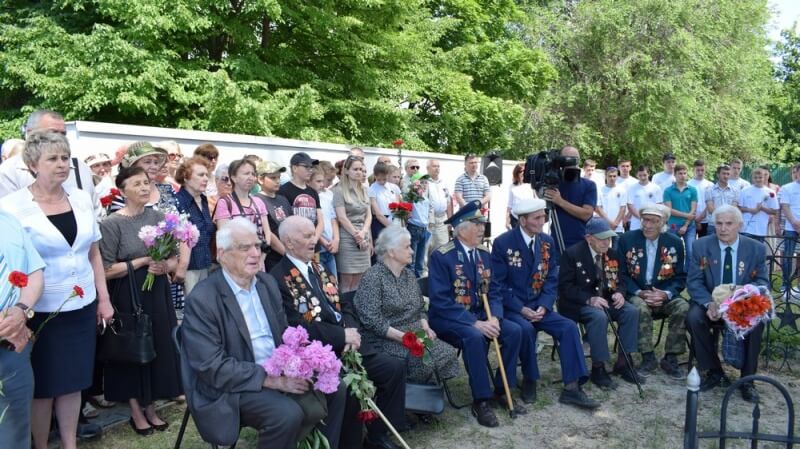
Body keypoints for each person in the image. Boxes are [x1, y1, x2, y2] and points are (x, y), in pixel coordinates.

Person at [181, 218, 346, 449]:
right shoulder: (203, 298)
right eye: (244, 247)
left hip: (278, 369)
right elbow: (211, 366)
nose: (255, 253)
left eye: (257, 246)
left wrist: (304, 361)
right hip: (235, 385)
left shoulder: (266, 284)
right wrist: (272, 380)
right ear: (221, 254)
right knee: (285, 414)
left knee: (336, 387)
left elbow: (284, 335)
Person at [0, 131, 114, 449]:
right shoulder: (11, 206)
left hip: (81, 305)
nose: (62, 164)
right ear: (33, 165)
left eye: (65, 158)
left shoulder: (79, 197)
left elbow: (93, 252)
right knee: (44, 386)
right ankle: (40, 443)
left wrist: (103, 299)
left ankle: (69, 443)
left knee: (73, 382)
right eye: (53, 158)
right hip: (39, 309)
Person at [271, 216, 406, 449]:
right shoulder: (278, 278)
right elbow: (296, 327)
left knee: (393, 367)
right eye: (306, 236)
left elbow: (343, 304)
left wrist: (351, 329)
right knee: (348, 389)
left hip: (349, 340)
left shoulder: (319, 267)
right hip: (321, 351)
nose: (314, 239)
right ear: (289, 242)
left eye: (313, 233)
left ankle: (377, 436)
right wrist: (341, 336)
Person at [490, 198, 599, 409]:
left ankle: (572, 387)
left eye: (543, 216)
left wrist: (544, 305)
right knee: (524, 329)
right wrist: (522, 309)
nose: (543, 221)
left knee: (568, 327)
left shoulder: (547, 241)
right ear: (522, 220)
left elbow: (551, 278)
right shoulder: (503, 243)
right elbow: (498, 285)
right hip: (514, 308)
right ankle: (529, 379)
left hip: (539, 306)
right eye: (537, 217)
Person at [427, 201, 528, 427]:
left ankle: (503, 390)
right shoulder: (442, 256)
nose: (483, 228)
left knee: (514, 331)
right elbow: (441, 301)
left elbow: (494, 290)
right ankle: (481, 400)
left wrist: (495, 317)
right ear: (461, 228)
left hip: (483, 315)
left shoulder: (484, 254)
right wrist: (475, 323)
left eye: (482, 223)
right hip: (449, 319)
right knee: (474, 337)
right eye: (477, 223)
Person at [99, 166, 183, 434]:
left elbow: (174, 257)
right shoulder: (112, 223)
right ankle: (136, 410)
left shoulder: (158, 217)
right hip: (127, 292)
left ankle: (151, 406)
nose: (145, 188)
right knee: (132, 348)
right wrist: (143, 261)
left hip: (156, 291)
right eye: (137, 184)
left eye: (147, 183)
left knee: (157, 346)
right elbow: (105, 268)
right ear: (123, 190)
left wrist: (166, 266)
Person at [354, 224, 461, 384]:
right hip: (385, 339)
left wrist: (425, 326)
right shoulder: (373, 277)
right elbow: (372, 321)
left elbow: (420, 308)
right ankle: (409, 392)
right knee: (423, 360)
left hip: (415, 333)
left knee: (448, 352)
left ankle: (422, 387)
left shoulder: (409, 275)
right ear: (391, 251)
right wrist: (404, 338)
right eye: (407, 247)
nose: (412, 251)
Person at [686, 205, 769, 402]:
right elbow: (694, 281)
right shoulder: (701, 246)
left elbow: (762, 282)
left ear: (739, 225)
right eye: (719, 223)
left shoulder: (756, 248)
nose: (723, 228)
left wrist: (743, 297)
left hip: (741, 302)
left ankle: (747, 380)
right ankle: (714, 370)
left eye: (729, 224)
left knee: (758, 321)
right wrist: (708, 304)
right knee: (693, 317)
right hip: (710, 299)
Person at [557, 218, 644, 390]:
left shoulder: (612, 253)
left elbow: (621, 279)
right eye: (602, 238)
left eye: (609, 238)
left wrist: (619, 292)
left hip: (607, 298)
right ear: (589, 238)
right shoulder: (572, 254)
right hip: (579, 303)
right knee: (598, 316)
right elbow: (565, 287)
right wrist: (589, 299)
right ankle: (598, 366)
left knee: (631, 311)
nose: (607, 242)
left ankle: (623, 361)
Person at [617, 204, 688, 379]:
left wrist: (665, 294)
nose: (647, 225)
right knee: (639, 308)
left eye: (653, 221)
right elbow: (620, 274)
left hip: (663, 292)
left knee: (683, 308)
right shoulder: (627, 239)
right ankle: (647, 356)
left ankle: (671, 357)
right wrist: (639, 292)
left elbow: (680, 277)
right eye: (645, 220)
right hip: (637, 292)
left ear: (663, 223)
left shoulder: (675, 242)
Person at [0, 212, 45, 449]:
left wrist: (20, 311)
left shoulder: (8, 221)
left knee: (15, 428)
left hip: (12, 343)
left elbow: (34, 273)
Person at [0, 110, 100, 217]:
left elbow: (96, 214)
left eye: (63, 134)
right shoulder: (8, 171)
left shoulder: (80, 168)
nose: (60, 138)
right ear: (29, 133)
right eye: (53, 132)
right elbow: (7, 219)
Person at [213, 159, 271, 270]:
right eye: (246, 173)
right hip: (236, 262)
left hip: (258, 260)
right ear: (234, 177)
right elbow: (223, 237)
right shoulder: (225, 202)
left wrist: (262, 258)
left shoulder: (258, 202)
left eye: (253, 174)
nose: (250, 177)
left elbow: (267, 232)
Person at [542, 146, 596, 254]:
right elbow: (544, 218)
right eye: (566, 158)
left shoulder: (589, 185)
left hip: (581, 243)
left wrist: (560, 201)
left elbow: (587, 214)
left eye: (573, 158)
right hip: (556, 244)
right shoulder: (553, 184)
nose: (569, 162)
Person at [174, 156, 215, 295]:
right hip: (186, 269)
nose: (205, 178)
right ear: (186, 177)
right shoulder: (177, 202)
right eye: (200, 175)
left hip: (205, 265)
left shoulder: (203, 200)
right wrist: (181, 267)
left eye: (207, 175)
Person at [332, 155, 372, 290]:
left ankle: (357, 310)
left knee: (360, 280)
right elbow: (342, 217)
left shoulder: (365, 190)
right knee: (347, 281)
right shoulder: (338, 190)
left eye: (361, 169)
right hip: (348, 238)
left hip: (363, 237)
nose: (359, 172)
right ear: (347, 170)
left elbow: (369, 216)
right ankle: (346, 311)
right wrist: (357, 235)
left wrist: (364, 234)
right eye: (355, 169)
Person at [279, 152, 324, 245]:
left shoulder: (313, 192)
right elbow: (284, 223)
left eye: (311, 167)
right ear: (294, 168)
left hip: (314, 245)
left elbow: (320, 221)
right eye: (306, 167)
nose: (310, 170)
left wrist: (314, 239)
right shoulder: (283, 191)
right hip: (296, 245)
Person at [256, 161, 293, 271]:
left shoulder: (282, 198)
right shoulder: (256, 200)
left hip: (289, 253)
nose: (277, 181)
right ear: (261, 179)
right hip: (272, 258)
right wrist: (287, 254)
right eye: (273, 178)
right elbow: (267, 232)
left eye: (278, 177)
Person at [663, 163, 697, 270]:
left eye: (684, 173)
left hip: (689, 226)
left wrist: (686, 225)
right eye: (680, 173)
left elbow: (693, 209)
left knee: (691, 251)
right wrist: (686, 215)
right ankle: (674, 275)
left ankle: (687, 277)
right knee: (672, 252)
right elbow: (669, 209)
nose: (682, 176)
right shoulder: (668, 191)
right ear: (675, 174)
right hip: (673, 225)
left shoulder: (692, 190)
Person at [311, 164, 339, 276]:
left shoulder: (328, 194)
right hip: (320, 247)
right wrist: (323, 241)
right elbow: (312, 223)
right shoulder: (310, 198)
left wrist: (336, 239)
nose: (322, 184)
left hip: (330, 246)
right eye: (319, 181)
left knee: (333, 282)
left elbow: (333, 219)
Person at [738, 167, 778, 243]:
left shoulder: (770, 192)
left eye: (760, 177)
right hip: (746, 229)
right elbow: (739, 208)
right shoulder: (745, 190)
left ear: (764, 178)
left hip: (761, 229)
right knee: (745, 252)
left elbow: (774, 211)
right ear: (752, 178)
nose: (758, 179)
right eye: (755, 177)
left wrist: (762, 208)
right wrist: (750, 210)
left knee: (757, 253)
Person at [778, 163, 800, 294]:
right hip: (791, 227)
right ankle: (785, 285)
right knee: (787, 256)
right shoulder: (787, 188)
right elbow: (784, 207)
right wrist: (795, 223)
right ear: (796, 172)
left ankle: (798, 286)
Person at [407, 172, 432, 278]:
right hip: (413, 229)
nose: (424, 185)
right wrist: (414, 191)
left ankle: (418, 285)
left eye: (426, 182)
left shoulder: (426, 199)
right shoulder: (411, 197)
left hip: (423, 229)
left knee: (420, 260)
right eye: (421, 182)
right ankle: (410, 284)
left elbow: (427, 214)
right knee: (411, 260)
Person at [368, 161, 399, 243]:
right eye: (379, 179)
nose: (382, 182)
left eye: (384, 179)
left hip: (394, 219)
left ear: (388, 175)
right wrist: (391, 226)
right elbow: (377, 212)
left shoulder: (393, 187)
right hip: (380, 222)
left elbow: (397, 204)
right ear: (375, 176)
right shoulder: (372, 189)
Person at [426, 158, 453, 252]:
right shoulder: (424, 182)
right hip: (429, 220)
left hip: (443, 220)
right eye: (434, 166)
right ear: (428, 168)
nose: (437, 168)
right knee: (428, 248)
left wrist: (450, 220)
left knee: (443, 247)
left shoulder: (443, 183)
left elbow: (448, 202)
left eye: (438, 166)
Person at [596, 166, 627, 248]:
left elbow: (623, 208)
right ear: (605, 176)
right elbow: (598, 208)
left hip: (618, 228)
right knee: (603, 252)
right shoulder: (600, 190)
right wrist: (609, 223)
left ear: (617, 176)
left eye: (614, 176)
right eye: (610, 176)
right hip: (604, 227)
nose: (612, 178)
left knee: (616, 253)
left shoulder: (622, 190)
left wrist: (615, 223)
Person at [627, 165, 663, 231]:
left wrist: (650, 218)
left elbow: (659, 205)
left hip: (652, 223)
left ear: (648, 174)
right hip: (636, 224)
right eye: (640, 175)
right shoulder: (632, 188)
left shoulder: (656, 188)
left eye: (644, 175)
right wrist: (641, 217)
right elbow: (630, 205)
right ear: (636, 175)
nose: (643, 177)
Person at [704, 164, 738, 236]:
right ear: (718, 174)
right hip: (714, 225)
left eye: (728, 174)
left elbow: (733, 209)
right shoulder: (709, 190)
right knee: (711, 247)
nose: (726, 176)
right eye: (723, 173)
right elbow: (710, 209)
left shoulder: (735, 191)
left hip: (729, 226)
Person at [505, 162, 535, 230]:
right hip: (515, 219)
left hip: (529, 218)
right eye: (521, 171)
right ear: (516, 173)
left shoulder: (531, 185)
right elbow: (509, 205)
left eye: (524, 171)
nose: (523, 173)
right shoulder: (512, 187)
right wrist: (507, 220)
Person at [688, 160, 714, 238]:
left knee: (704, 247)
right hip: (691, 220)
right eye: (698, 170)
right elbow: (688, 203)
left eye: (702, 170)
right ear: (693, 170)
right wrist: (695, 219)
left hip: (707, 220)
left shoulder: (710, 185)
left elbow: (711, 203)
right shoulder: (688, 184)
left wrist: (701, 217)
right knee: (691, 246)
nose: (700, 172)